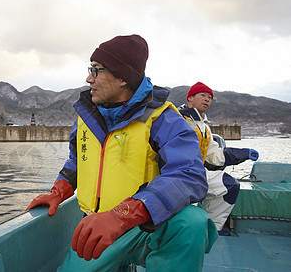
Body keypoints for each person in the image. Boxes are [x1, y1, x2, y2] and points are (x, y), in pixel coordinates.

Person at [26, 35, 218, 271]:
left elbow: (189, 175)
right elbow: (78, 161)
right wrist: (58, 191)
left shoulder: (163, 118)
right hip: (95, 227)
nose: (88, 78)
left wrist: (122, 216)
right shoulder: (86, 116)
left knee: (192, 223)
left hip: (146, 228)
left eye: (96, 70)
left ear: (123, 79)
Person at [179, 82, 259, 235]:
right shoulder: (177, 118)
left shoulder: (204, 127)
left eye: (210, 97)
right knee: (189, 205)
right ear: (190, 98)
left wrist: (243, 153)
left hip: (198, 172)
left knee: (230, 185)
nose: (207, 99)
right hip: (178, 174)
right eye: (203, 95)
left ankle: (212, 229)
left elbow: (215, 155)